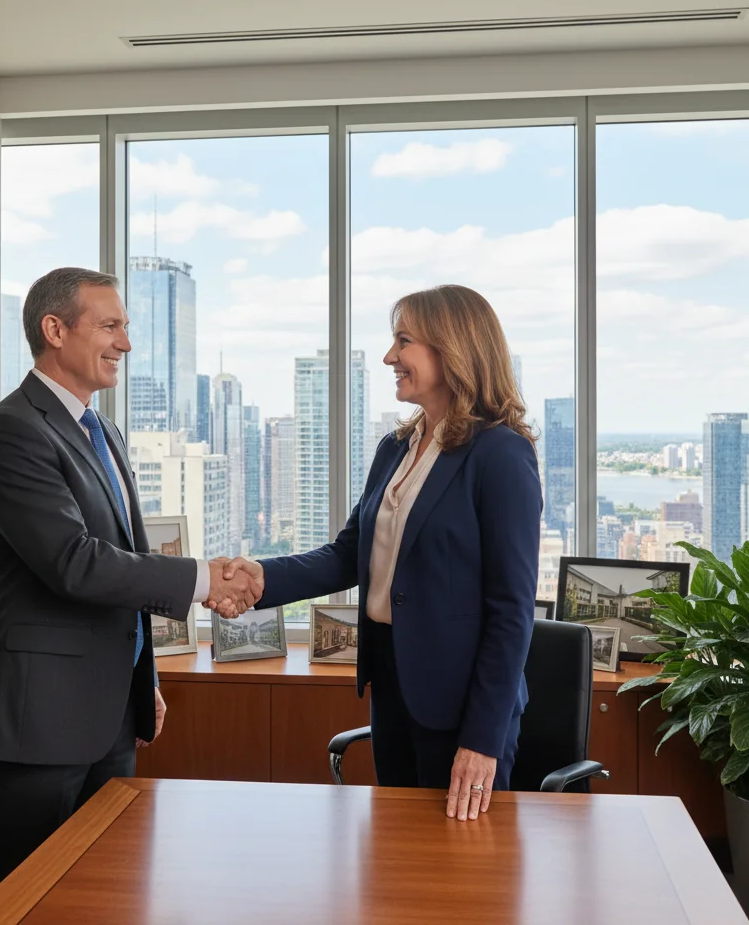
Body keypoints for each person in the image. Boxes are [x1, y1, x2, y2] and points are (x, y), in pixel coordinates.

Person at [0, 268, 259, 899]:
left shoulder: (102, 430)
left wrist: (142, 675)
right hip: (39, 718)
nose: (126, 343)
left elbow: (127, 553)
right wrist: (206, 579)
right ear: (54, 330)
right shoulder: (11, 431)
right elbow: (75, 562)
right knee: (21, 894)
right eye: (110, 325)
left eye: (125, 327)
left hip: (107, 715)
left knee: (100, 891)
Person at [216, 285, 541, 822]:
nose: (390, 357)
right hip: (393, 685)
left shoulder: (500, 454)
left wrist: (482, 738)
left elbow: (511, 612)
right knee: (398, 857)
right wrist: (259, 577)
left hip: (463, 707)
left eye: (404, 342)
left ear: (451, 348)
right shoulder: (397, 447)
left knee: (462, 873)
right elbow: (350, 554)